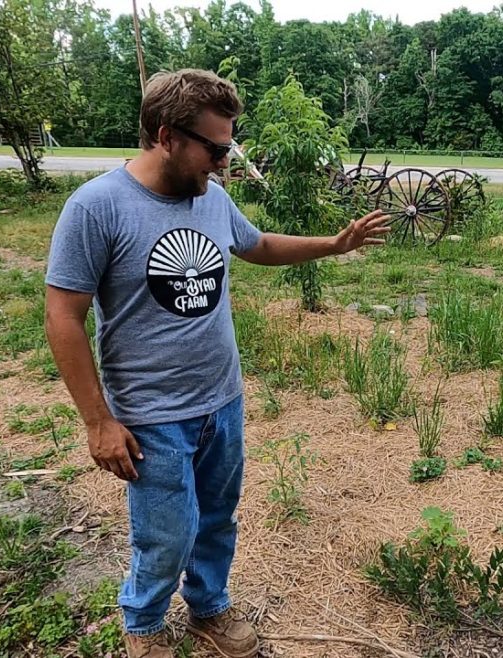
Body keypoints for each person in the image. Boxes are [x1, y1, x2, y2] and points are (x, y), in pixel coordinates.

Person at [43, 68, 389, 658]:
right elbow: (63, 317)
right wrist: (99, 422)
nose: (226, 161)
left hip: (221, 400)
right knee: (165, 532)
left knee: (217, 520)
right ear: (165, 135)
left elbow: (256, 246)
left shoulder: (214, 197)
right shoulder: (96, 208)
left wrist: (333, 245)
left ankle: (208, 607)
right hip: (151, 415)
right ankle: (145, 623)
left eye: (229, 146)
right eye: (215, 147)